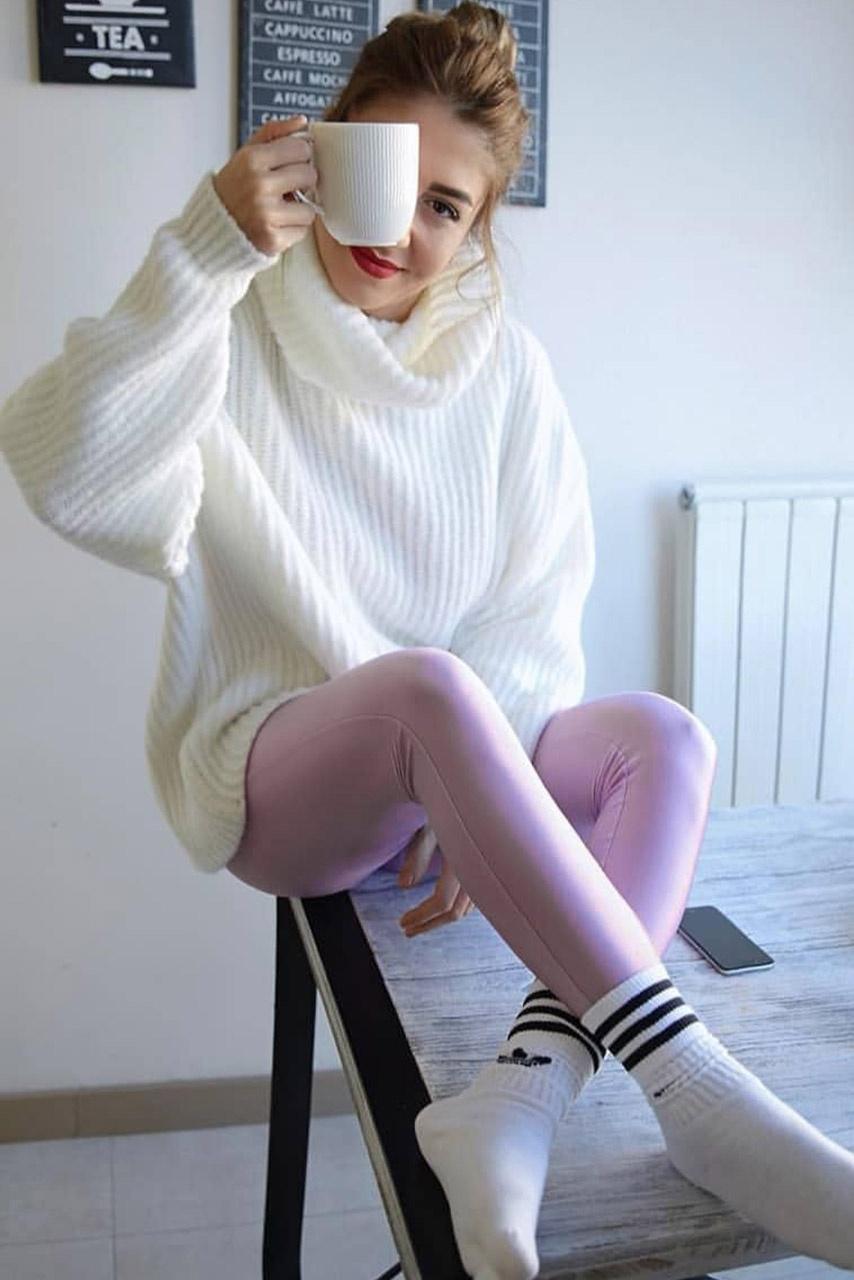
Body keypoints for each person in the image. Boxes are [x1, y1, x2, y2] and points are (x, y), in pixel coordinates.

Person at [1, 4, 853, 1279]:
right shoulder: (228, 317)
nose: (400, 229)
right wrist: (205, 246)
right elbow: (69, 475)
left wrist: (471, 786)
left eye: (445, 206)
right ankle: (697, 1091)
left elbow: (535, 608)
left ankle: (518, 1095)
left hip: (446, 745)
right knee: (422, 692)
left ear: (477, 226)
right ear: (325, 152)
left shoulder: (506, 368)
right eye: (384, 178)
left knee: (662, 736)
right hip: (277, 777)